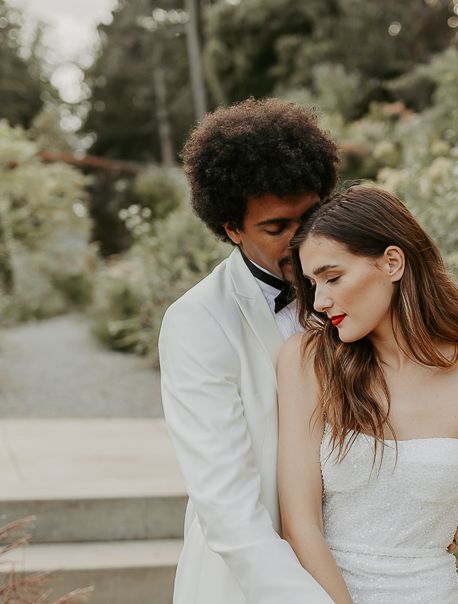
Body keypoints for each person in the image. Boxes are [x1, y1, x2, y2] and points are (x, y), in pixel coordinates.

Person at [277, 185, 458, 603]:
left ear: (393, 262)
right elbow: (300, 526)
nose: (321, 300)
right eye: (313, 284)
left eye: (333, 277)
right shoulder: (308, 360)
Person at [158, 98, 339, 604]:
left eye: (310, 217)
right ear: (232, 229)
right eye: (277, 228)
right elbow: (228, 506)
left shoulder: (360, 292)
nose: (302, 241)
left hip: (363, 564)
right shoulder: (197, 322)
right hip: (253, 585)